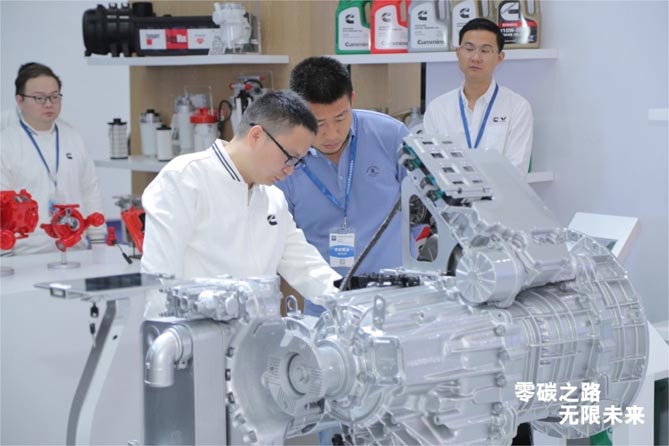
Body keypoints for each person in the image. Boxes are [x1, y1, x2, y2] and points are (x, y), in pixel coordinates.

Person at [141, 90, 341, 317]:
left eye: (298, 161)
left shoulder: (273, 198)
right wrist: (167, 336)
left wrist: (349, 299)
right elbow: (159, 279)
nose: (290, 170)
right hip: (196, 332)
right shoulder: (185, 179)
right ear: (256, 136)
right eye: (289, 157)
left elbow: (305, 266)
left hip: (259, 334)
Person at [276, 56, 415, 285]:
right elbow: (280, 239)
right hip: (324, 296)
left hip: (396, 291)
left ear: (352, 100)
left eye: (341, 118)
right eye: (318, 123)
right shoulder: (281, 155)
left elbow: (423, 206)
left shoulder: (390, 135)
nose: (332, 134)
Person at [1, 62, 106, 254]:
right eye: (39, 98)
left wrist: (99, 242)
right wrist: (5, 254)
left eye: (54, 96)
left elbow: (90, 190)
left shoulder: (73, 137)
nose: (49, 104)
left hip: (75, 249)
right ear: (20, 100)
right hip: (24, 254)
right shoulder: (6, 143)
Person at [423, 18, 533, 176]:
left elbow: (516, 171)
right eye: (469, 48)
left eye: (485, 50)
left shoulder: (517, 107)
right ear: (458, 53)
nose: (475, 57)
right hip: (451, 192)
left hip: (499, 192)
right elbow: (432, 167)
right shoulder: (438, 108)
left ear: (500, 58)